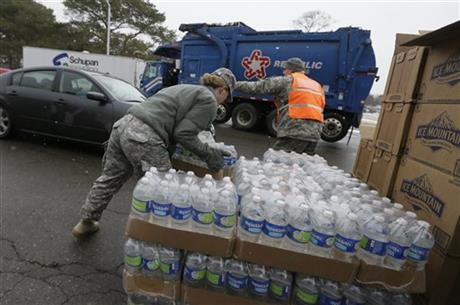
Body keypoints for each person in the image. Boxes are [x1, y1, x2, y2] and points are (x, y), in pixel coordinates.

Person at [72, 68, 236, 237]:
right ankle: (151, 238)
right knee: (161, 190)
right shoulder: (209, 100)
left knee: (110, 178)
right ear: (222, 90)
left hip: (123, 126)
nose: (223, 103)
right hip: (145, 136)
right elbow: (184, 134)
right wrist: (210, 155)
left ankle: (86, 222)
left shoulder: (183, 88)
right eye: (226, 98)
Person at [235, 57, 325, 155]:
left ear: (290, 69)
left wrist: (234, 84)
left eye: (285, 69)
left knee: (277, 162)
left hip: (295, 130)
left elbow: (258, 87)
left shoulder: (288, 81)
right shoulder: (317, 85)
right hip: (314, 134)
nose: (283, 72)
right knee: (300, 166)